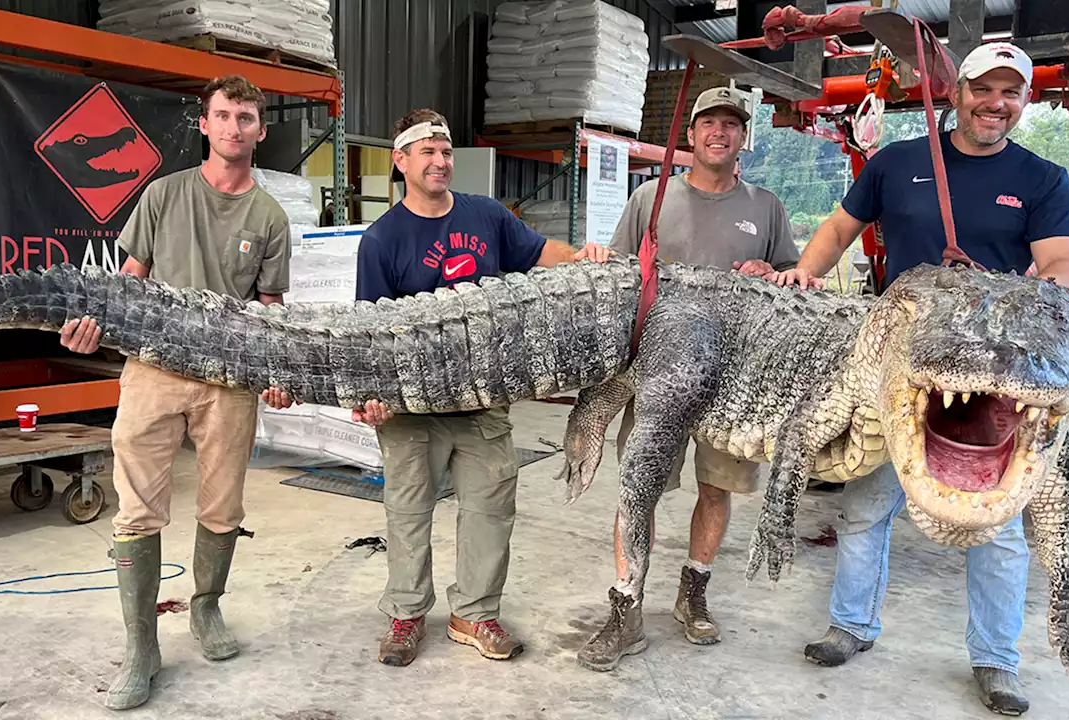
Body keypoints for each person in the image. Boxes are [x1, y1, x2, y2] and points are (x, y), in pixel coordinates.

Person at [768, 42, 1069, 716]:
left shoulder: (1043, 179)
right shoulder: (899, 163)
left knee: (995, 526)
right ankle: (851, 625)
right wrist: (807, 272)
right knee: (865, 503)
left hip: (991, 376)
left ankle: (997, 660)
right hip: (902, 369)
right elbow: (840, 227)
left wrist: (1022, 303)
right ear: (957, 91)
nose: (996, 105)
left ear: (1024, 102)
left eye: (1011, 94)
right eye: (984, 90)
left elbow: (1060, 267)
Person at [57, 75, 295, 710]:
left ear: (260, 129)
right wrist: (92, 332)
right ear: (205, 124)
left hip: (230, 383)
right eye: (223, 115)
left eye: (246, 117)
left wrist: (276, 371)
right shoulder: (162, 196)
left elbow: (268, 309)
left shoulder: (269, 217)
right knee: (136, 510)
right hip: (153, 373)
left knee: (223, 508)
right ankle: (141, 647)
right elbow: (125, 287)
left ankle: (207, 608)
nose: (233, 127)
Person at [352, 108, 612, 667]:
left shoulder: (487, 215)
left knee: (491, 508)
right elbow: (369, 332)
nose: (441, 161)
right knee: (407, 511)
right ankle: (406, 614)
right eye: (428, 152)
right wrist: (367, 397)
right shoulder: (381, 240)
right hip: (410, 408)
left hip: (483, 400)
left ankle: (474, 614)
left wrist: (583, 256)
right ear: (401, 161)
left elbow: (543, 254)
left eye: (446, 152)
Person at [576, 86, 802, 672]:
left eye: (731, 124)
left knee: (717, 488)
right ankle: (626, 605)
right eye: (709, 123)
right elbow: (621, 280)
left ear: (742, 137)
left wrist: (771, 272)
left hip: (735, 382)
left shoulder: (767, 206)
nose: (719, 133)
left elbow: (792, 281)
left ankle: (693, 590)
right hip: (658, 378)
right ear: (692, 133)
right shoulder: (651, 199)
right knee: (638, 487)